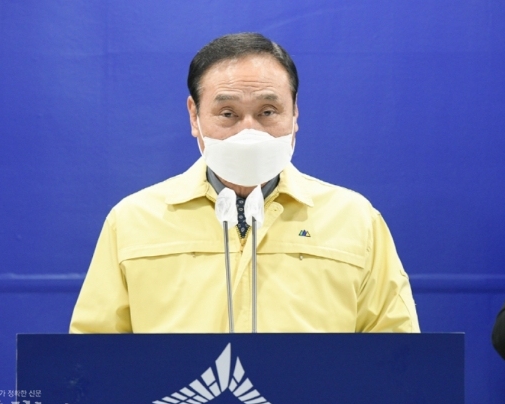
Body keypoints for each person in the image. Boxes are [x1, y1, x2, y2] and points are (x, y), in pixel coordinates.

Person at [69, 32, 420, 334]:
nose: (249, 132)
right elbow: (93, 358)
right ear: (194, 115)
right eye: (228, 114)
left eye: (268, 112)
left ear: (295, 112)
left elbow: (397, 354)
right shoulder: (132, 221)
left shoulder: (354, 219)